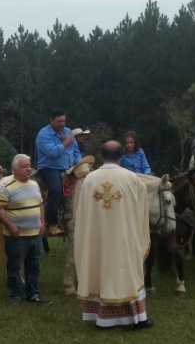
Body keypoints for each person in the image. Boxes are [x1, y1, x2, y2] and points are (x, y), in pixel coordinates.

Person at [74, 140, 151, 329]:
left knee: (99, 267)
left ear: (102, 156)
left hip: (97, 240)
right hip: (125, 239)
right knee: (127, 272)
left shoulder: (89, 180)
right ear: (121, 155)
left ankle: (100, 318)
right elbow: (142, 212)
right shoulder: (133, 179)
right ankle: (136, 318)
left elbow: (82, 214)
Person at [0, 154, 49, 305]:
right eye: (25, 166)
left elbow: (40, 204)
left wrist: (42, 222)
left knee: (34, 266)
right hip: (17, 236)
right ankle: (15, 295)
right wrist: (10, 225)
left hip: (35, 234)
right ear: (15, 169)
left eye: (29, 165)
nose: (29, 169)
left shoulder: (35, 185)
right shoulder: (7, 187)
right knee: (15, 266)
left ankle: (33, 294)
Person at [35, 109, 77, 236]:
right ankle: (52, 223)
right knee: (56, 190)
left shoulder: (68, 132)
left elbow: (75, 151)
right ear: (51, 120)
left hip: (69, 167)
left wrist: (80, 162)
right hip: (50, 168)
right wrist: (65, 144)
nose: (62, 124)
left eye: (64, 121)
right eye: (59, 121)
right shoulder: (43, 135)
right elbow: (53, 153)